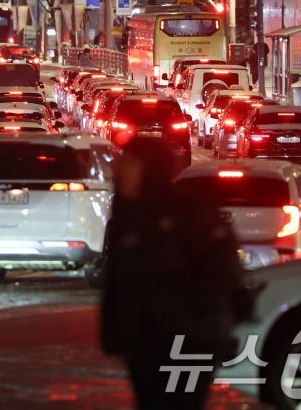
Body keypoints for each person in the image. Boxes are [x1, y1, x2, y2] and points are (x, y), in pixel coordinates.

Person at [101, 137, 247, 410]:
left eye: (130, 165)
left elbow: (221, 273)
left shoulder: (187, 211)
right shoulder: (128, 214)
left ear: (150, 169)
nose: (121, 172)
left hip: (189, 339)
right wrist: (113, 331)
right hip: (144, 342)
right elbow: (118, 278)